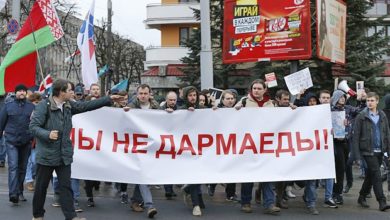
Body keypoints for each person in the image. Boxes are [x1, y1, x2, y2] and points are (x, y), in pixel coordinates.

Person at [30, 79, 123, 220]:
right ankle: (38, 215)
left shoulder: (68, 105)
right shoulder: (44, 106)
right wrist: (47, 134)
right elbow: (33, 127)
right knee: (41, 188)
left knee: (66, 187)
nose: (73, 92)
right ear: (61, 92)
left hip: (64, 154)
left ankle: (71, 217)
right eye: (70, 90)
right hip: (47, 155)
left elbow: (86, 106)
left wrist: (108, 99)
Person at [235, 79, 279, 215]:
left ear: (265, 90)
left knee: (268, 176)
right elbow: (231, 118)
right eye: (254, 88)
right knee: (248, 176)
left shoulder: (271, 104)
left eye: (259, 88)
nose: (256, 91)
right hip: (249, 145)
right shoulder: (244, 102)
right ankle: (246, 202)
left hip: (266, 145)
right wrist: (235, 110)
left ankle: (269, 203)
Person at [352, 92, 390, 211]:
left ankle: (362, 196)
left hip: (380, 150)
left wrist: (388, 150)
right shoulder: (361, 116)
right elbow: (356, 136)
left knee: (370, 175)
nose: (369, 102)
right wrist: (357, 156)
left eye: (372, 100)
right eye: (368, 100)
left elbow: (387, 133)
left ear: (377, 102)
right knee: (377, 175)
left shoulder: (382, 115)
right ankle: (382, 201)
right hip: (367, 151)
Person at [126, 84, 159, 218]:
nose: (143, 96)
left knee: (145, 175)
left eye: (146, 93)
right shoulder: (131, 107)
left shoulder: (157, 108)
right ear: (137, 94)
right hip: (137, 146)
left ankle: (135, 201)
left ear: (150, 94)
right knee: (144, 174)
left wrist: (168, 112)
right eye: (141, 93)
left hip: (152, 146)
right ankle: (149, 205)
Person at [0, 84, 35, 204]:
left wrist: (33, 137)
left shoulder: (31, 107)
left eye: (23, 91)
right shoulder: (8, 106)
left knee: (23, 168)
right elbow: (1, 123)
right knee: (13, 167)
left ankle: (20, 191)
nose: (21, 92)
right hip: (11, 141)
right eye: (19, 91)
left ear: (26, 93)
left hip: (26, 141)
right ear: (15, 93)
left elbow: (36, 123)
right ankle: (13, 193)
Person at [25, 92, 43, 192]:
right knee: (29, 161)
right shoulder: (27, 112)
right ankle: (29, 180)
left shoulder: (42, 112)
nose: (36, 104)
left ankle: (33, 176)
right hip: (27, 140)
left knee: (35, 161)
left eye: (38, 102)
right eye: (34, 102)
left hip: (37, 141)